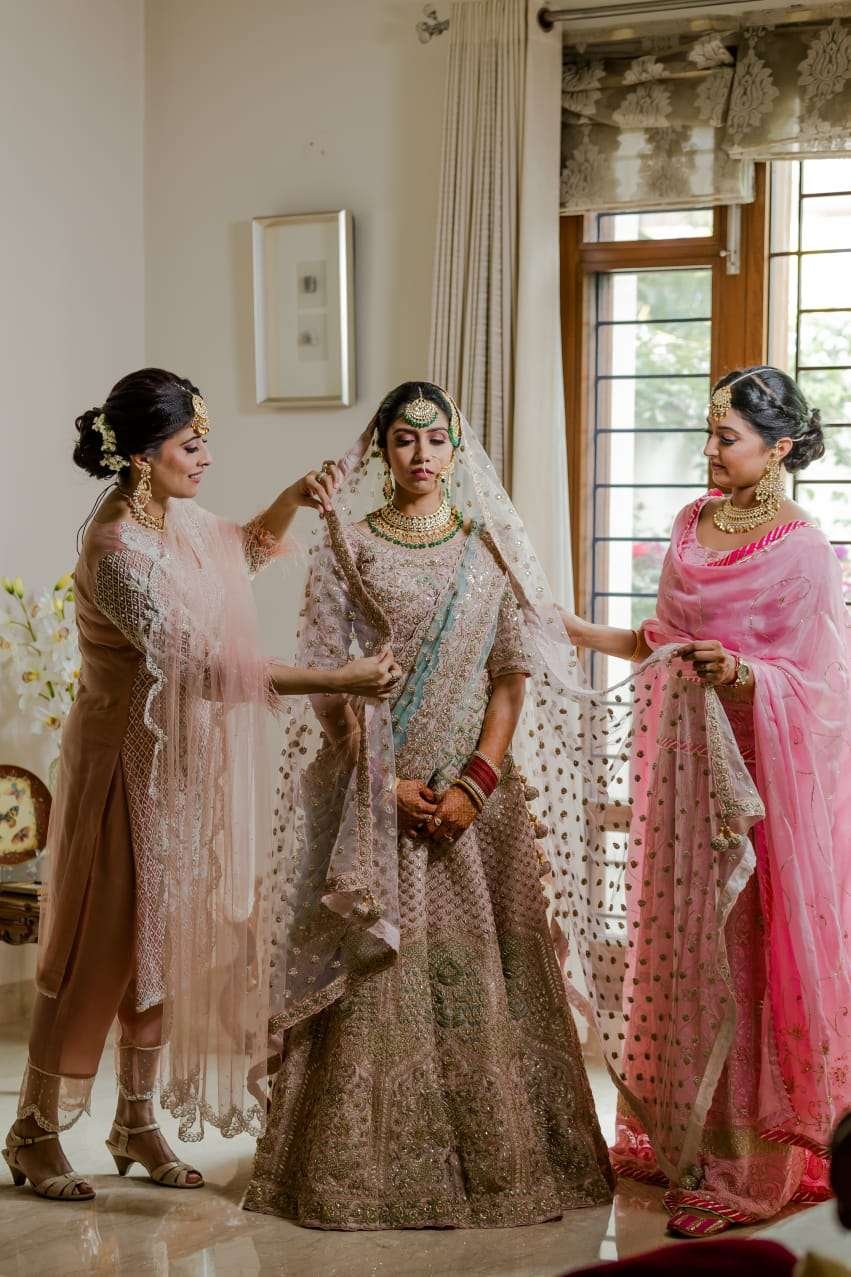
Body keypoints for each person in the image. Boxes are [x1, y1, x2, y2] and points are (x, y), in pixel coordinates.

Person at [3, 368, 400, 1202]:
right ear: (142, 458)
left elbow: (238, 554)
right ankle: (34, 1130)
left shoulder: (176, 518)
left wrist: (289, 499)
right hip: (121, 770)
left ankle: (135, 1120)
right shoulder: (116, 548)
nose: (205, 457)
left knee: (162, 944)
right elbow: (208, 665)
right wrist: (338, 678)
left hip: (176, 770)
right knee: (98, 948)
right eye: (191, 444)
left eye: (203, 441)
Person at [243, 381, 614, 1229]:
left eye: (435, 438)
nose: (420, 453)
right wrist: (382, 785)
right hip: (374, 797)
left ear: (456, 449)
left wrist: (477, 782)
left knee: (478, 971)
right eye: (403, 439)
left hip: (474, 806)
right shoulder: (350, 544)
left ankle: (502, 1162)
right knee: (379, 972)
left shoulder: (488, 548)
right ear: (381, 450)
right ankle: (361, 1169)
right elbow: (325, 679)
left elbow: (510, 674)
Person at [562, 366, 851, 1236]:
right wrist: (566, 628)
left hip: (758, 784)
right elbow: (657, 643)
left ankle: (747, 1165)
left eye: (726, 437)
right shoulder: (690, 524)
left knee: (743, 959)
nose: (709, 450)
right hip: (682, 770)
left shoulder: (803, 549)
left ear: (780, 446)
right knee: (682, 951)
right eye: (709, 433)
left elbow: (823, 687)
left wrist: (745, 673)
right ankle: (683, 1143)